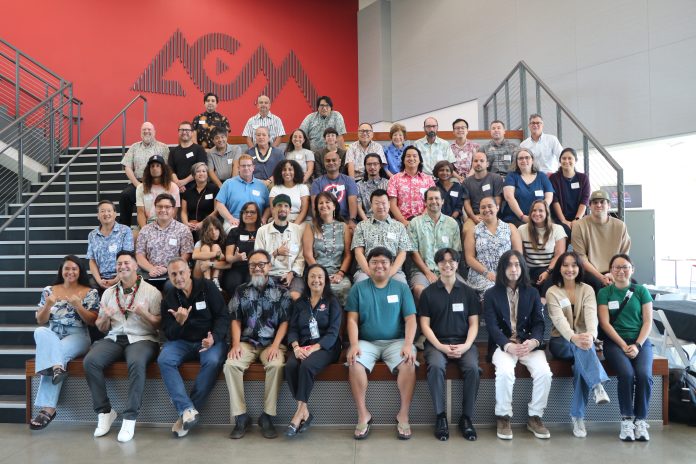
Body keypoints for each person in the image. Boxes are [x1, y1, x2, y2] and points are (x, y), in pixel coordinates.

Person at [84, 251, 162, 442]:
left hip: (143, 338)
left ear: (136, 266)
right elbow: (101, 328)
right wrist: (105, 318)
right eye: (119, 264)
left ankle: (130, 417)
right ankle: (104, 412)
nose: (122, 266)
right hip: (115, 337)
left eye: (127, 263)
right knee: (90, 361)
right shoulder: (109, 293)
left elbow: (159, 325)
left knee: (136, 362)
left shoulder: (152, 292)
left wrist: (144, 313)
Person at [345, 247, 418, 440]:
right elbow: (352, 319)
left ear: (392, 264)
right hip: (367, 342)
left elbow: (411, 319)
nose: (379, 266)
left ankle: (403, 415)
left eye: (384, 262)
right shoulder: (358, 289)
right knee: (354, 362)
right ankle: (363, 415)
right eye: (374, 262)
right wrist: (353, 344)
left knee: (409, 363)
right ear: (367, 265)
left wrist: (408, 345)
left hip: (396, 342)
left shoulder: (401, 288)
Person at [484, 250, 552, 440]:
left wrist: (534, 341)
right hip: (503, 345)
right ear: (502, 268)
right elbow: (492, 326)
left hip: (528, 343)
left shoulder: (532, 292)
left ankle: (535, 417)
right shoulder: (491, 294)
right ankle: (503, 416)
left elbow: (539, 322)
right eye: (509, 265)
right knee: (505, 372)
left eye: (517, 265)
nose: (514, 269)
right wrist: (507, 345)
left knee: (544, 373)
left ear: (522, 267)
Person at [158, 257, 229, 438]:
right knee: (164, 359)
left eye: (181, 272)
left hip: (209, 339)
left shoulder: (207, 287)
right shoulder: (169, 299)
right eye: (173, 274)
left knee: (212, 361)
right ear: (169, 276)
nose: (178, 277)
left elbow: (222, 316)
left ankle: (187, 412)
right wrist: (179, 322)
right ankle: (187, 409)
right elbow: (169, 333)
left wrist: (214, 337)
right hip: (182, 342)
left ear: (189, 271)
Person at [225, 250, 291, 440]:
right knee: (231, 365)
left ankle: (267, 416)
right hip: (247, 342)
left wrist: (275, 346)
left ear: (269, 266)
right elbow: (235, 320)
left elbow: (285, 321)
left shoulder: (281, 292)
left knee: (277, 365)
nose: (257, 268)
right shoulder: (241, 291)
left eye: (261, 264)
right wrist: (235, 344)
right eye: (253, 265)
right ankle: (240, 416)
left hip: (272, 343)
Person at [29, 256, 99, 430]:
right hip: (53, 333)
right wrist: (48, 305)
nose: (70, 272)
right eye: (67, 268)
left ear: (80, 271)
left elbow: (92, 321)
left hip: (78, 335)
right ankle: (57, 369)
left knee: (55, 355)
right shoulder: (49, 291)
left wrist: (78, 306)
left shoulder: (89, 292)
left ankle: (48, 408)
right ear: (61, 270)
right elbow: (40, 320)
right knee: (40, 332)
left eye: (74, 269)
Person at [546, 251, 610, 438]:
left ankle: (578, 417)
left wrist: (590, 335)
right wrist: (574, 338)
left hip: (584, 341)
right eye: (565, 265)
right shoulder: (552, 291)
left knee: (580, 367)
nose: (569, 269)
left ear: (579, 268)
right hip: (561, 341)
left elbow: (592, 317)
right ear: (559, 268)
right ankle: (597, 384)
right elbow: (558, 321)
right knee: (582, 348)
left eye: (574, 265)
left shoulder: (588, 289)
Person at [420, 248, 480, 441]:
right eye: (443, 261)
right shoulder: (428, 293)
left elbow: (474, 324)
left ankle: (466, 418)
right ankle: (440, 417)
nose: (447, 265)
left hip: (464, 342)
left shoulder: (469, 292)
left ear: (457, 263)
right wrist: (441, 346)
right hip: (436, 343)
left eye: (451, 261)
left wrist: (466, 345)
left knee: (473, 368)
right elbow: (425, 326)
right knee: (436, 366)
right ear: (436, 265)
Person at [598, 254, 654, 442]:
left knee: (645, 375)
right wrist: (623, 345)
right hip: (615, 343)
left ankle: (640, 421)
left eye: (625, 267)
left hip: (641, 342)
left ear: (632, 269)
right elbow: (605, 324)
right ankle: (626, 421)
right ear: (610, 271)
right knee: (627, 374)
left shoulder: (641, 291)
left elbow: (647, 322)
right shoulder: (605, 293)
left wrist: (637, 345)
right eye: (616, 267)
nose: (621, 271)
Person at [284, 264, 342, 437]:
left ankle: (298, 414)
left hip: (327, 346)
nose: (316, 280)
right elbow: (293, 329)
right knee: (290, 366)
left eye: (320, 277)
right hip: (303, 345)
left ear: (325, 281)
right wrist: (296, 347)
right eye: (312, 276)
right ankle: (304, 411)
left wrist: (314, 348)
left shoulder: (332, 301)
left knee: (307, 366)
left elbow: (333, 332)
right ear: (307, 279)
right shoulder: (300, 303)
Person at [409, 187, 462, 303]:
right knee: (420, 290)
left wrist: (446, 272)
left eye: (437, 198)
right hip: (422, 270)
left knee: (464, 291)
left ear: (442, 201)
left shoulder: (452, 223)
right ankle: (428, 320)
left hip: (448, 269)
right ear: (425, 202)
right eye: (430, 199)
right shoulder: (415, 223)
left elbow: (455, 253)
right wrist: (428, 272)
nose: (434, 201)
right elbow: (413, 252)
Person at [571, 190, 631, 292]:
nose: (598, 205)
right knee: (598, 285)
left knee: (633, 286)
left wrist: (613, 274)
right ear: (590, 206)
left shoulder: (620, 226)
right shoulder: (578, 225)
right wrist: (601, 277)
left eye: (602, 202)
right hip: (591, 272)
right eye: (595, 202)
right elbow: (581, 257)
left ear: (609, 205)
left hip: (615, 270)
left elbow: (624, 254)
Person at [352, 189, 414, 284]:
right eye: (376, 203)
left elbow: (402, 253)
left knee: (401, 283)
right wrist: (370, 272)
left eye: (383, 203)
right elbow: (358, 253)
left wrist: (390, 273)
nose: (380, 206)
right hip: (366, 271)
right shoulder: (361, 226)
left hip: (393, 271)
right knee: (361, 282)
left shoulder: (399, 226)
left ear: (389, 204)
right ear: (371, 206)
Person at [302, 191, 352, 305]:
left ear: (334, 206)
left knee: (346, 287)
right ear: (317, 208)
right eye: (320, 203)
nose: (324, 205)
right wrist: (321, 275)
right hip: (316, 273)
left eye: (327, 202)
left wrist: (340, 273)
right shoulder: (311, 226)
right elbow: (307, 254)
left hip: (338, 273)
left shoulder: (343, 226)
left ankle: (342, 322)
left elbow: (348, 255)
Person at [465, 197, 522, 296]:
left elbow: (518, 254)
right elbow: (469, 258)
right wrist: (487, 273)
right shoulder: (473, 231)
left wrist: (508, 272)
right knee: (492, 290)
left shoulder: (510, 228)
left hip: (507, 272)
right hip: (481, 274)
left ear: (497, 207)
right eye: (483, 207)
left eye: (490, 206)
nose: (487, 210)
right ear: (479, 210)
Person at [135, 193, 194, 290]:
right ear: (155, 208)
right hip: (149, 273)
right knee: (138, 286)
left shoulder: (183, 230)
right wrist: (151, 268)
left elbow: (186, 255)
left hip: (174, 273)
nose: (163, 210)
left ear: (173, 209)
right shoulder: (145, 230)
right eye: (159, 207)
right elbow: (140, 256)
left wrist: (167, 269)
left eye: (167, 207)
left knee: (169, 287)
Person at [254, 194, 306, 300]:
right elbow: (258, 260)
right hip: (269, 274)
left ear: (290, 209)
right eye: (279, 205)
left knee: (295, 297)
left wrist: (291, 273)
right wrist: (275, 253)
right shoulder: (262, 231)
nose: (283, 209)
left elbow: (301, 258)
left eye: (286, 206)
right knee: (269, 298)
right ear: (273, 208)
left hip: (292, 275)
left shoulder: (298, 230)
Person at [119, 122, 170, 227]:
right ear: (141, 133)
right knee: (125, 195)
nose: (147, 132)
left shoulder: (163, 147)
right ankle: (124, 230)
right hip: (138, 182)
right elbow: (127, 166)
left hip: (158, 183)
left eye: (149, 129)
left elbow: (167, 167)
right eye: (144, 130)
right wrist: (137, 184)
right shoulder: (134, 147)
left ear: (154, 132)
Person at [517, 199, 567, 296]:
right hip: (530, 269)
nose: (537, 213)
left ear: (547, 213)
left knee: (551, 281)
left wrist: (547, 272)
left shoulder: (557, 229)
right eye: (534, 210)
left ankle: (543, 306)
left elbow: (559, 255)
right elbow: (520, 255)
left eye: (541, 210)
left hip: (550, 268)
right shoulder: (522, 230)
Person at [87, 200, 134, 292]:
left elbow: (128, 257)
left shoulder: (125, 231)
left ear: (115, 214)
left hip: (122, 274)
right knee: (90, 287)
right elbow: (91, 260)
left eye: (109, 211)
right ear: (98, 216)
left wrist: (115, 280)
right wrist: (99, 281)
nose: (106, 214)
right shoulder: (92, 235)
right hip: (101, 278)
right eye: (102, 211)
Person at [215, 154, 271, 232]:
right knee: (234, 233)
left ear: (253, 167)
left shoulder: (261, 185)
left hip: (256, 222)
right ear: (238, 168)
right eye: (243, 166)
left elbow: (268, 206)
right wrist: (230, 218)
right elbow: (219, 204)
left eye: (249, 165)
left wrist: (264, 218)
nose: (246, 168)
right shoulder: (229, 184)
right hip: (235, 221)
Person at [500, 148, 554, 226]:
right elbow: (509, 197)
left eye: (527, 157)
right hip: (515, 218)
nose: (524, 160)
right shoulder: (511, 176)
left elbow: (549, 197)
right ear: (516, 162)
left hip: (539, 218)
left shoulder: (542, 176)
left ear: (532, 160)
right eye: (520, 158)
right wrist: (522, 217)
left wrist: (539, 214)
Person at [387, 145, 436, 226]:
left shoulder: (428, 180)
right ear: (403, 160)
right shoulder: (394, 179)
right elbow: (392, 204)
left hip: (424, 222)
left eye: (415, 156)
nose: (411, 158)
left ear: (420, 160)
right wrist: (403, 222)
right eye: (408, 156)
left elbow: (431, 203)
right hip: (400, 223)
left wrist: (421, 221)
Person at [221, 202, 261, 295]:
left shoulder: (262, 231)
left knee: (252, 285)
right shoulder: (234, 231)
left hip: (255, 268)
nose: (248, 214)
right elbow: (228, 257)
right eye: (245, 212)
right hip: (236, 268)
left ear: (258, 214)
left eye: (252, 212)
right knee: (233, 284)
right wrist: (236, 258)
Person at [310, 150, 359, 226]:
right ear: (324, 163)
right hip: (324, 220)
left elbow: (353, 202)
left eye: (334, 160)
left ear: (339, 162)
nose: (331, 163)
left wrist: (352, 221)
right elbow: (314, 205)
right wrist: (317, 222)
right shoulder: (316, 182)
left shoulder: (349, 180)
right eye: (328, 161)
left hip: (345, 220)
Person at [549, 147, 590, 236]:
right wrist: (563, 221)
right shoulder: (554, 178)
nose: (566, 161)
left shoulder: (583, 178)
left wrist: (577, 220)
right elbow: (554, 201)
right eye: (564, 158)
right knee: (565, 230)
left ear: (575, 160)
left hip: (580, 217)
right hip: (559, 218)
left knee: (583, 232)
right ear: (560, 161)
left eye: (570, 158)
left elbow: (585, 200)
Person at [462, 150, 504, 237]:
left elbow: (497, 200)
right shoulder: (466, 182)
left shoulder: (496, 178)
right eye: (475, 161)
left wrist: (490, 216)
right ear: (472, 164)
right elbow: (466, 203)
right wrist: (474, 217)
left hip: (492, 214)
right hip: (475, 216)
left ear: (487, 164)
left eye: (482, 161)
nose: (478, 163)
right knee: (466, 230)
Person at [136, 155, 180, 229]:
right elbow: (140, 212)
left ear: (163, 168)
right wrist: (145, 230)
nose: (155, 168)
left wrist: (162, 228)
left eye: (158, 166)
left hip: (167, 223)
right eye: (152, 166)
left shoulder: (173, 187)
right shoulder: (141, 187)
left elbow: (174, 211)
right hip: (147, 223)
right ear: (148, 170)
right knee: (134, 236)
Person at [180, 162, 219, 241]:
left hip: (208, 224)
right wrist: (186, 224)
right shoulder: (188, 192)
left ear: (207, 174)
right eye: (198, 171)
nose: (201, 173)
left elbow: (216, 211)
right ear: (194, 175)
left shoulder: (214, 189)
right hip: (190, 225)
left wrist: (202, 224)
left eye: (204, 171)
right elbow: (183, 212)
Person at [169, 121, 208, 192]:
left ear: (192, 133)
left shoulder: (199, 149)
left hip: (196, 188)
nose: (184, 132)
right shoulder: (173, 151)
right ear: (178, 132)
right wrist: (178, 183)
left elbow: (201, 168)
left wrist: (184, 182)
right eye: (181, 130)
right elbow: (170, 169)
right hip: (177, 189)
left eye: (187, 130)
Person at [269, 159, 310, 224]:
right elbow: (273, 211)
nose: (287, 172)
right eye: (284, 170)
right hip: (279, 220)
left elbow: (304, 210)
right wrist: (282, 225)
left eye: (290, 169)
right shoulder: (275, 189)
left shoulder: (303, 187)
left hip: (298, 220)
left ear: (296, 172)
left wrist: (294, 226)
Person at [192, 216, 227, 289]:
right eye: (210, 230)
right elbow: (194, 256)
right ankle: (207, 281)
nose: (214, 232)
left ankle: (214, 279)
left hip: (217, 272)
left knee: (215, 246)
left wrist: (209, 264)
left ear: (220, 229)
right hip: (200, 274)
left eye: (216, 229)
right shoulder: (200, 242)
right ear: (205, 231)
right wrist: (216, 254)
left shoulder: (224, 242)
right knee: (205, 247)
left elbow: (227, 263)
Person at [356, 153, 389, 221]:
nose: (372, 167)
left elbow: (390, 204)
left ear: (380, 166)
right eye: (369, 164)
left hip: (385, 219)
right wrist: (367, 222)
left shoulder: (387, 183)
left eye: (375, 164)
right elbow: (358, 207)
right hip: (366, 220)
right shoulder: (358, 185)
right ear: (365, 166)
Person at [433, 160, 466, 225]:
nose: (444, 173)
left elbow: (458, 207)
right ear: (437, 172)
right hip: (436, 219)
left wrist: (451, 219)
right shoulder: (434, 186)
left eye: (447, 170)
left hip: (454, 219)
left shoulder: (457, 187)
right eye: (441, 170)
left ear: (451, 173)